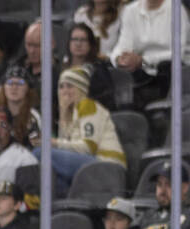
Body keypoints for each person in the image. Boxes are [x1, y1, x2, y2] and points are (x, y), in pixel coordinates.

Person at [42, 67, 127, 196]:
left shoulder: (87, 105)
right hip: (92, 164)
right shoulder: (69, 113)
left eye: (70, 86)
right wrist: (64, 115)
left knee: (41, 153)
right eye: (61, 87)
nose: (65, 91)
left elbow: (88, 148)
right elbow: (66, 148)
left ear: (81, 88)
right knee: (52, 171)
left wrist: (54, 143)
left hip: (107, 164)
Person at [110, 0, 190, 111]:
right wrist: (120, 59)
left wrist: (143, 60)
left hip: (176, 69)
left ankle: (159, 112)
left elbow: (177, 53)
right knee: (111, 70)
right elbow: (122, 45)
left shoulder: (176, 8)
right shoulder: (130, 10)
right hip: (142, 69)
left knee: (166, 66)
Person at [62, 22, 118, 111]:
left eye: (83, 40)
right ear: (69, 43)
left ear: (90, 44)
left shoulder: (99, 71)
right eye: (74, 39)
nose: (78, 44)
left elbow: (106, 102)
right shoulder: (62, 69)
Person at [0, 65, 43, 149]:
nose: (14, 87)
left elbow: (36, 146)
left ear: (28, 88)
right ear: (3, 87)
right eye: (10, 83)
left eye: (20, 83)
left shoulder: (34, 116)